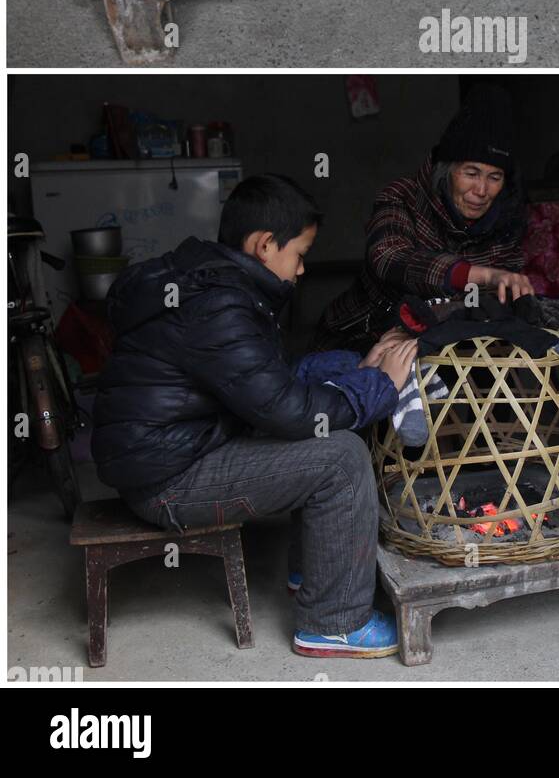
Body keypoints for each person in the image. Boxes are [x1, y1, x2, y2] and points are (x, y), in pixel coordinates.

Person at [91, 173, 417, 660]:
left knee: (339, 394)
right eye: (300, 254)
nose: (303, 269)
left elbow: (269, 384)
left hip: (175, 451)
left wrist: (357, 371)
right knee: (342, 457)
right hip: (168, 481)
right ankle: (334, 623)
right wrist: (381, 386)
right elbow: (286, 410)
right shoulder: (218, 305)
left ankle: (317, 574)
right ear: (265, 245)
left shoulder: (210, 283)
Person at [321, 84, 533, 350]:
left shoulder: (504, 225)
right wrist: (483, 275)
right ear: (446, 169)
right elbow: (388, 258)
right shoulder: (403, 197)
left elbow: (495, 299)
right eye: (471, 173)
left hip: (444, 348)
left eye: (494, 177)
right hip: (362, 336)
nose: (481, 190)